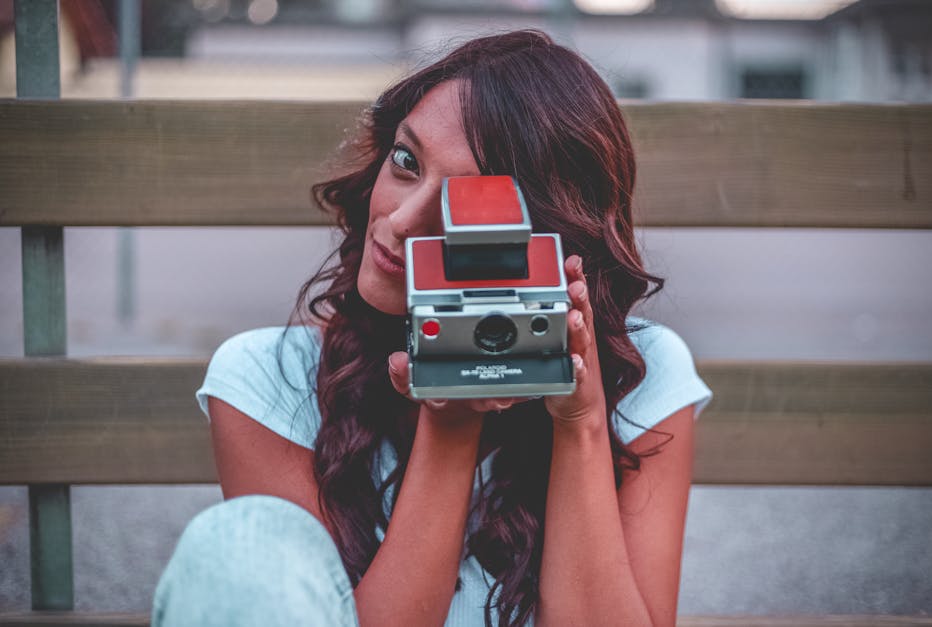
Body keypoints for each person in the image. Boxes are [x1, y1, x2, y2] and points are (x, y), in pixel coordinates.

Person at [152, 29, 712, 627]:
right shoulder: (268, 378)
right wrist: (452, 411)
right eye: (405, 162)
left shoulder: (644, 374)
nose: (398, 221)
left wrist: (580, 422)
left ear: (550, 245)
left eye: (464, 207)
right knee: (238, 540)